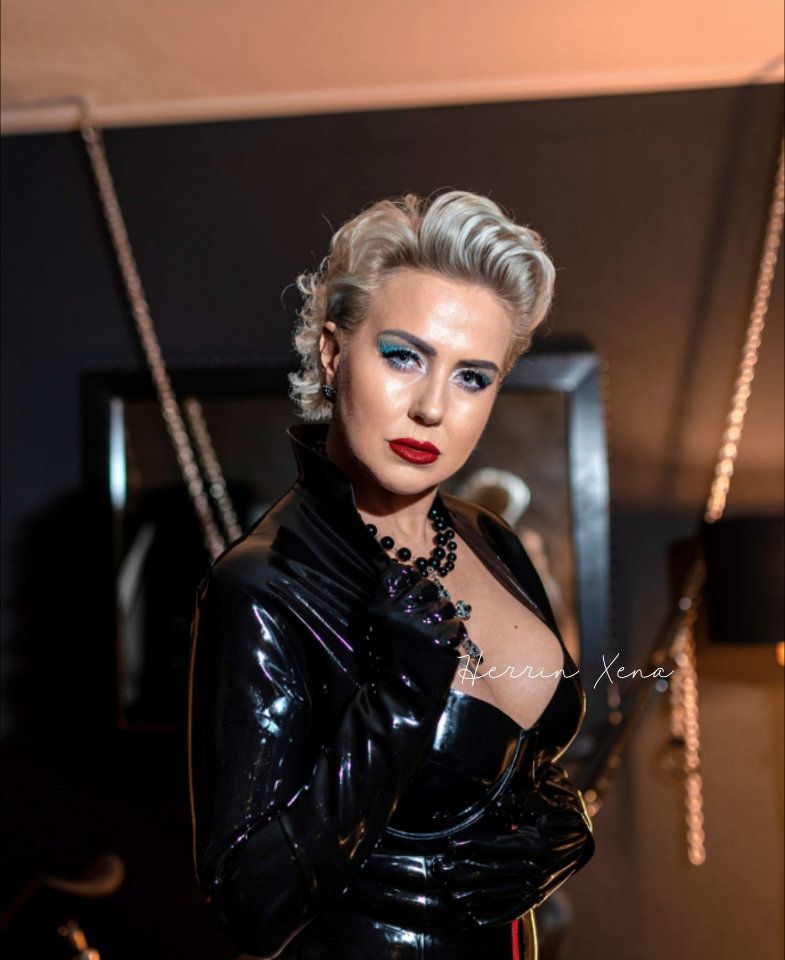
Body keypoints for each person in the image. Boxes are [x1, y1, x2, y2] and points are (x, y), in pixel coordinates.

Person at [187, 190, 595, 959]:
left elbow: (525, 766)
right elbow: (248, 905)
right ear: (333, 353)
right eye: (403, 356)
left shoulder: (490, 540)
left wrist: (565, 826)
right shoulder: (264, 588)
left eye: (472, 376)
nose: (432, 408)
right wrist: (398, 705)